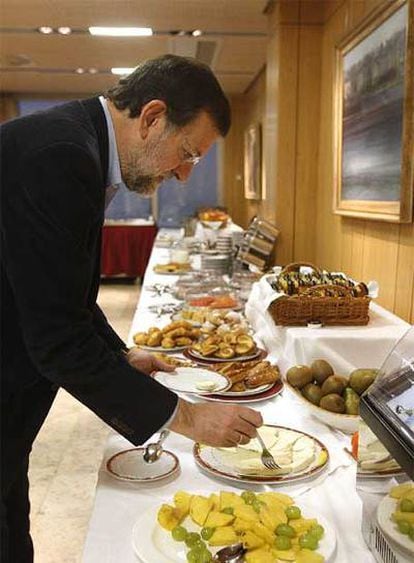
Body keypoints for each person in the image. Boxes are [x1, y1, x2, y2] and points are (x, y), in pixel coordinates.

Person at [0, 54, 263, 562]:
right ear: (152, 117)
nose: (186, 175)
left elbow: (63, 292)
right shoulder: (59, 155)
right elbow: (57, 338)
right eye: (187, 153)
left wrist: (121, 356)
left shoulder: (78, 143)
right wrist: (187, 418)